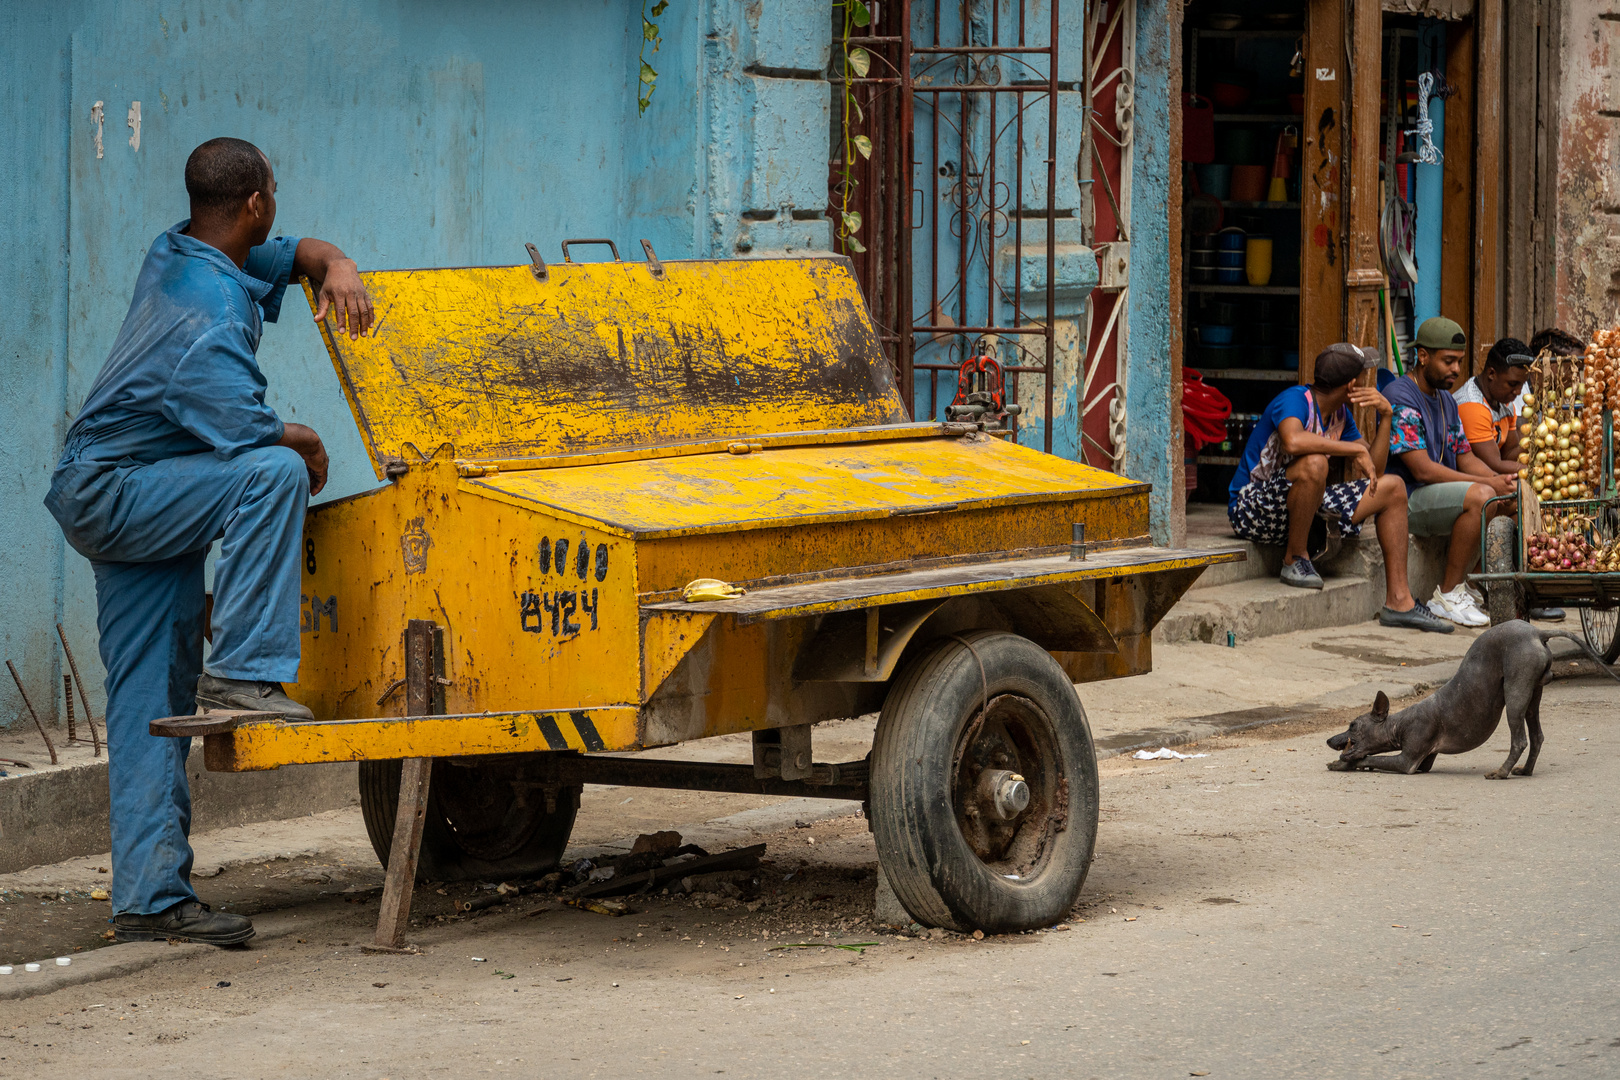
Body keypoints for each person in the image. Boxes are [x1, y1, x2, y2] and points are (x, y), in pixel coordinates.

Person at [43, 138, 374, 946]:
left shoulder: (181, 250)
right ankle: (247, 675)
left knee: (147, 698)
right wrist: (310, 441)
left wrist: (334, 261)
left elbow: (288, 252)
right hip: (119, 494)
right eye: (275, 199)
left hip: (120, 488)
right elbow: (250, 437)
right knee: (275, 473)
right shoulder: (209, 319)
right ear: (258, 199)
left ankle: (151, 902)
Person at [1228, 343, 1452, 632]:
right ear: (1351, 385)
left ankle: (1399, 601)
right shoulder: (1296, 399)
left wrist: (1387, 416)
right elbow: (1293, 441)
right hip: (1252, 508)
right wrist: (1351, 449)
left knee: (1393, 486)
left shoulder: (1340, 415)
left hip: (1303, 510)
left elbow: (1375, 469)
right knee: (1316, 464)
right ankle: (1295, 558)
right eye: (1362, 377)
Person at [1386, 317, 1517, 627]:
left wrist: (1502, 482)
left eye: (1459, 361)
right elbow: (1423, 470)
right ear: (1422, 357)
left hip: (1439, 493)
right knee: (1483, 494)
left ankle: (1472, 584)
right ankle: (1446, 594)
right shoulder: (1402, 396)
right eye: (1448, 361)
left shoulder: (1445, 399)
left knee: (1510, 494)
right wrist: (1487, 482)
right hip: (1409, 498)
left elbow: (1465, 456)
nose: (1456, 369)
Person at [1454, 338, 1532, 476]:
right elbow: (1495, 465)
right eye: (1513, 384)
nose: (1518, 392)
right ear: (1491, 374)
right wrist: (1536, 471)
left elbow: (1509, 454)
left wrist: (1537, 440)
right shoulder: (1473, 406)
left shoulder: (1504, 401)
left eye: (1522, 384)